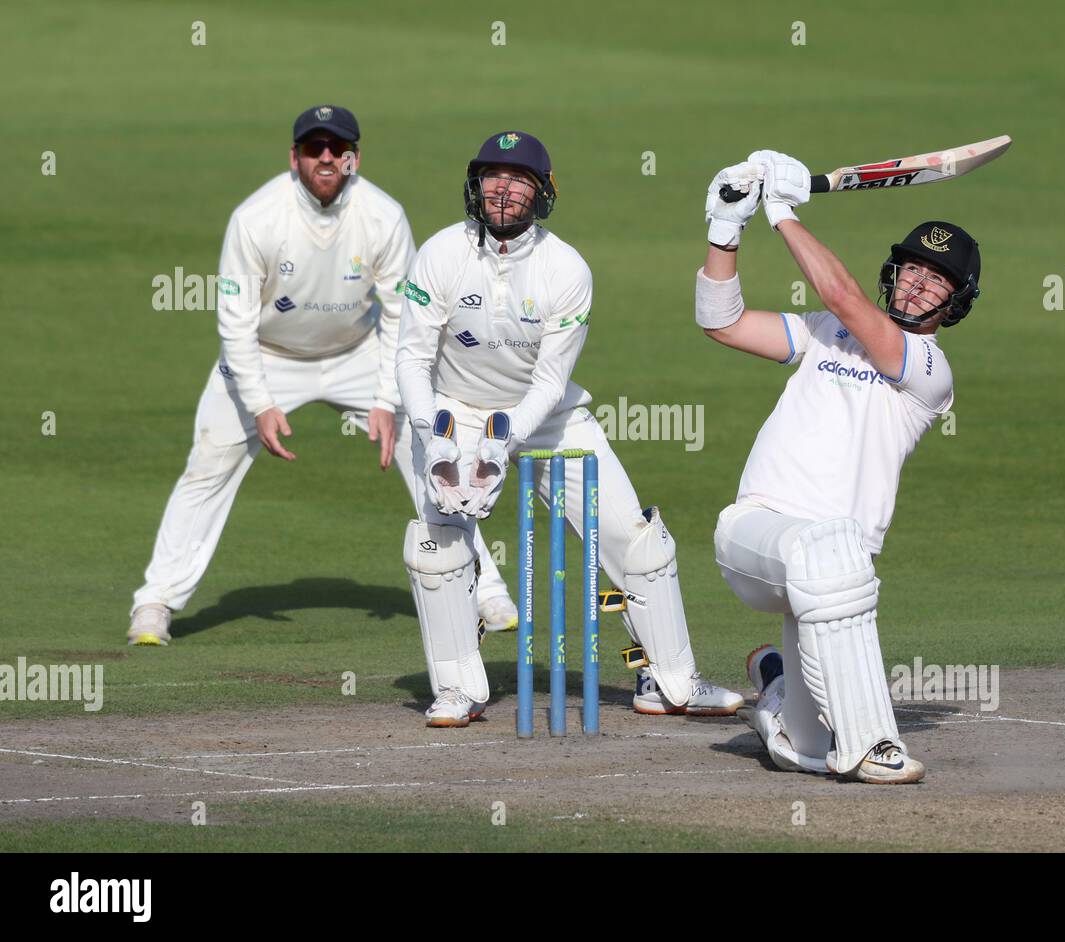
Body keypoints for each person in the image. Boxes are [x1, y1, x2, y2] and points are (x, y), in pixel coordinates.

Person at [127, 105, 514, 644]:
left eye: (338, 149)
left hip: (358, 352)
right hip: (266, 354)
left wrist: (385, 400)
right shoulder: (256, 218)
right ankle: (155, 604)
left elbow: (403, 315)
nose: (326, 158)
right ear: (295, 158)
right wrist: (261, 403)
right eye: (314, 149)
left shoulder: (382, 215)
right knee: (207, 465)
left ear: (355, 157)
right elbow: (234, 324)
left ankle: (487, 592)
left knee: (432, 451)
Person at [395, 130, 743, 727]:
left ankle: (668, 681)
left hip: (549, 421)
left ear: (543, 192)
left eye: (519, 179)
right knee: (438, 551)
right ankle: (458, 689)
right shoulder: (440, 253)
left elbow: (550, 385)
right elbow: (410, 359)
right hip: (451, 412)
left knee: (637, 540)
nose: (502, 189)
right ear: (474, 186)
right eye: (492, 177)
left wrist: (502, 443)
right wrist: (436, 437)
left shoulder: (566, 269)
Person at [698, 151, 982, 783]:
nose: (916, 285)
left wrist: (781, 214)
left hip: (828, 591)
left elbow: (843, 294)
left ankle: (773, 693)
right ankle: (875, 744)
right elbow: (722, 323)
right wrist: (725, 230)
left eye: (935, 280)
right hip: (755, 534)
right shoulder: (823, 333)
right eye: (911, 270)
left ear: (954, 302)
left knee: (802, 751)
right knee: (832, 552)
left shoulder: (929, 372)